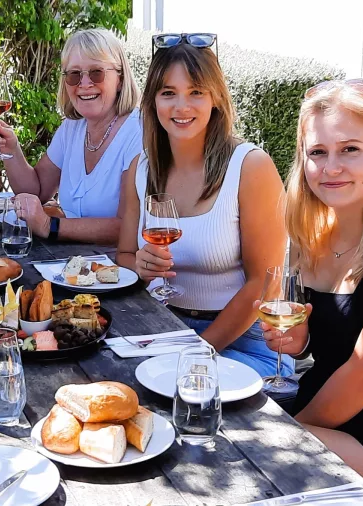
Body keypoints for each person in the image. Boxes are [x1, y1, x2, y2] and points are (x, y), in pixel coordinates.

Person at [259, 79, 363, 492]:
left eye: (350, 149)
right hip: (320, 414)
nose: (330, 168)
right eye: (317, 152)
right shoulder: (310, 238)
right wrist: (301, 342)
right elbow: (329, 347)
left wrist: (287, 432)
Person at [116, 34, 293, 378]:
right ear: (152, 101)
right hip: (164, 329)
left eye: (196, 92)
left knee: (184, 395)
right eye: (168, 93)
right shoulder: (140, 169)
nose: (181, 106)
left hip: (244, 341)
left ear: (216, 98)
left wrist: (195, 354)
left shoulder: (250, 166)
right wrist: (139, 265)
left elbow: (264, 283)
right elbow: (124, 256)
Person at [0, 29, 142, 244]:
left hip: (119, 263)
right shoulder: (72, 127)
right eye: (74, 75)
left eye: (96, 72)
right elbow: (37, 191)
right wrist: (11, 149)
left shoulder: (139, 131)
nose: (84, 84)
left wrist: (48, 226)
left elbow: (129, 226)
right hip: (71, 260)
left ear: (121, 79)